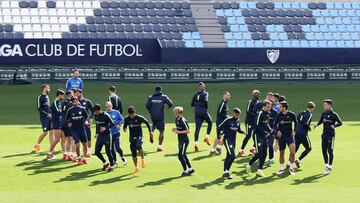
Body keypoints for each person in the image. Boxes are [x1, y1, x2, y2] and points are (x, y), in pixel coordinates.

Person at [314, 99, 342, 175]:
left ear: (330, 105)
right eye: (324, 105)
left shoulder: (334, 114)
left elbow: (340, 123)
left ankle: (329, 167)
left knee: (330, 151)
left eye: (325, 105)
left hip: (331, 136)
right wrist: (316, 125)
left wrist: (334, 126)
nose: (324, 106)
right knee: (323, 150)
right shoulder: (324, 113)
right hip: (324, 135)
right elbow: (321, 121)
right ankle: (326, 165)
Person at [123, 106, 154, 174]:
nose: (132, 116)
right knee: (133, 150)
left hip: (139, 135)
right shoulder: (127, 119)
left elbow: (147, 123)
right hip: (132, 136)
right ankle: (136, 167)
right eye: (130, 115)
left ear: (135, 113)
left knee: (138, 145)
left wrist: (150, 132)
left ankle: (142, 159)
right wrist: (125, 129)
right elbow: (124, 127)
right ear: (129, 114)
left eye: (133, 114)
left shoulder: (139, 118)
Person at [246, 100, 273, 177]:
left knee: (265, 153)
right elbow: (256, 126)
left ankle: (259, 170)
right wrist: (265, 132)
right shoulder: (260, 114)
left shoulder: (268, 114)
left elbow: (266, 123)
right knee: (259, 153)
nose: (269, 109)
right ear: (264, 106)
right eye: (268, 107)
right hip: (257, 135)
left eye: (270, 107)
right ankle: (248, 165)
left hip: (264, 136)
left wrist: (270, 129)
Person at [219, 108, 246, 180]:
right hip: (227, 140)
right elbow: (220, 127)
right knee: (233, 156)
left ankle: (225, 172)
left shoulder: (238, 121)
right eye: (236, 115)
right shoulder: (228, 120)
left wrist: (243, 132)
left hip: (233, 141)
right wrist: (220, 134)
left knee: (228, 156)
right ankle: (226, 172)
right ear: (233, 113)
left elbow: (238, 130)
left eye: (238, 115)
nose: (237, 116)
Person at [146, 86, 173, 152]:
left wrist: (150, 111)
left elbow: (147, 105)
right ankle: (159, 146)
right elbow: (170, 103)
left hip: (153, 115)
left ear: (155, 90)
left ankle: (151, 132)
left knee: (154, 124)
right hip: (160, 115)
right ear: (161, 90)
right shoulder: (164, 97)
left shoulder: (151, 97)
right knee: (161, 130)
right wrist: (168, 107)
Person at [275, 101, 297, 175]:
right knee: (282, 153)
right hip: (282, 137)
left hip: (289, 136)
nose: (279, 108)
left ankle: (291, 167)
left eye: (280, 107)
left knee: (293, 152)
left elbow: (296, 122)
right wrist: (277, 131)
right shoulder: (278, 115)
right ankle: (281, 169)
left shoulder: (291, 114)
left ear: (284, 107)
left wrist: (294, 130)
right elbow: (274, 124)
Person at [172, 106, 195, 176]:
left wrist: (178, 132)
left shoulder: (183, 120)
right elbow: (180, 128)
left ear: (179, 113)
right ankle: (190, 169)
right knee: (184, 155)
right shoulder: (176, 119)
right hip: (180, 139)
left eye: (175, 112)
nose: (174, 113)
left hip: (184, 140)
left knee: (180, 156)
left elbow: (188, 131)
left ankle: (185, 170)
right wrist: (175, 129)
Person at [66, 96, 89, 165]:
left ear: (78, 101)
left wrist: (86, 121)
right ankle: (79, 158)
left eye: (76, 101)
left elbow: (86, 116)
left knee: (85, 144)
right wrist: (69, 123)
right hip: (74, 130)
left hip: (82, 129)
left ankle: (84, 158)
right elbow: (67, 119)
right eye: (73, 101)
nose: (75, 102)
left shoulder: (82, 109)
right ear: (72, 102)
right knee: (77, 144)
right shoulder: (70, 110)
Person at [191, 82, 212, 151]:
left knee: (197, 128)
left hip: (197, 112)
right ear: (203, 87)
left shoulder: (195, 94)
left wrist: (197, 105)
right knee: (210, 122)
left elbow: (192, 104)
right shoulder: (205, 93)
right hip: (204, 112)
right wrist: (206, 108)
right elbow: (206, 101)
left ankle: (196, 144)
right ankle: (207, 137)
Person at [94, 104, 115, 172]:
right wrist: (96, 133)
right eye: (95, 112)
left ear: (99, 110)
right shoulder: (96, 115)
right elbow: (97, 124)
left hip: (107, 135)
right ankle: (105, 163)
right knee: (97, 152)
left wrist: (105, 128)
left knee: (108, 152)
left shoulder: (106, 115)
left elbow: (112, 124)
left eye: (96, 111)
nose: (95, 113)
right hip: (100, 136)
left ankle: (111, 166)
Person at [239, 90, 261, 156]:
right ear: (253, 95)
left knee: (256, 135)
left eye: (258, 94)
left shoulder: (259, 102)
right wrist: (255, 114)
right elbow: (248, 111)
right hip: (249, 121)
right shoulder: (250, 102)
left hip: (255, 122)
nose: (258, 95)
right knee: (248, 135)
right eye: (256, 94)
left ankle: (253, 148)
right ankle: (241, 149)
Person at [294, 101, 316, 168]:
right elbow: (306, 124)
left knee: (295, 149)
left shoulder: (300, 112)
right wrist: (309, 128)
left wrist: (295, 130)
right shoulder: (309, 115)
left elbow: (297, 121)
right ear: (312, 108)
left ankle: (289, 163)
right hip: (303, 134)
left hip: (297, 133)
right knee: (309, 148)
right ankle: (298, 160)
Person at [105, 102, 127, 166]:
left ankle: (122, 157)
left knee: (117, 147)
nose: (108, 108)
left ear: (111, 106)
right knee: (111, 148)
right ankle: (115, 161)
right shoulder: (105, 114)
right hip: (109, 134)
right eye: (107, 107)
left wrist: (119, 125)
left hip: (116, 132)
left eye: (109, 106)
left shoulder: (116, 112)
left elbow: (121, 119)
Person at [210, 91, 231, 155]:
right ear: (224, 96)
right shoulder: (222, 103)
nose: (229, 96)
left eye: (229, 95)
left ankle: (219, 147)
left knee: (227, 134)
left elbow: (224, 112)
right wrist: (227, 116)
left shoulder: (226, 103)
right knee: (219, 136)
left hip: (224, 122)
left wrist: (227, 116)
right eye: (228, 95)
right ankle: (213, 149)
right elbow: (219, 112)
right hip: (220, 123)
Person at [75, 89, 94, 157]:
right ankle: (78, 151)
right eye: (75, 93)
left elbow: (93, 111)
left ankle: (89, 151)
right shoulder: (75, 102)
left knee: (88, 137)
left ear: (81, 93)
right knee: (78, 137)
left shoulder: (87, 102)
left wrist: (91, 118)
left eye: (77, 93)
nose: (76, 95)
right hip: (77, 123)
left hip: (86, 123)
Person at [47, 89, 65, 158]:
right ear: (59, 95)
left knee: (64, 138)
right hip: (56, 123)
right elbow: (59, 112)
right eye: (62, 96)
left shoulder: (59, 103)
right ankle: (49, 153)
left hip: (60, 122)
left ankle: (65, 153)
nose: (63, 98)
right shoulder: (55, 102)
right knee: (57, 139)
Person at [35, 84, 52, 152]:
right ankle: (37, 144)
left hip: (50, 117)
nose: (49, 90)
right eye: (48, 88)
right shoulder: (40, 97)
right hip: (44, 118)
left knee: (51, 131)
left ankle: (52, 147)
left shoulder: (47, 96)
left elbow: (49, 106)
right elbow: (39, 108)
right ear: (44, 88)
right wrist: (46, 114)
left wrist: (51, 113)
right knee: (45, 132)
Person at [62, 91, 75, 161]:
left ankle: (66, 154)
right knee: (73, 139)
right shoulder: (70, 103)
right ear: (71, 95)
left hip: (63, 123)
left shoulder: (63, 102)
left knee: (68, 139)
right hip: (69, 123)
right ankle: (73, 155)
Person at [267, 99, 278, 165]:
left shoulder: (275, 112)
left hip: (272, 131)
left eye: (272, 105)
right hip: (264, 132)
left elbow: (276, 123)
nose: (271, 106)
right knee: (263, 146)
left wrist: (273, 129)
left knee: (270, 145)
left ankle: (271, 158)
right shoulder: (264, 112)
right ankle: (260, 158)